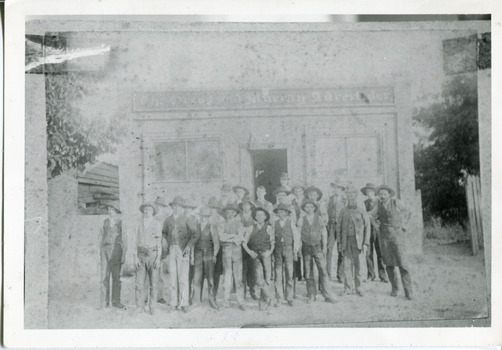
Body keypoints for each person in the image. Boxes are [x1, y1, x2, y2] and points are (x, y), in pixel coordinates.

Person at [369, 185, 413, 300]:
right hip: (384, 237)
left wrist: (405, 225)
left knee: (403, 264)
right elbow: (371, 217)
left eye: (384, 194)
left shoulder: (396, 202)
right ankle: (394, 289)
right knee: (389, 264)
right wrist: (377, 227)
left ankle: (409, 292)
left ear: (389, 194)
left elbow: (408, 212)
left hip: (397, 236)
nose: (382, 196)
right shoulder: (378, 206)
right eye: (380, 194)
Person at [162, 196, 200, 313]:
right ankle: (173, 303)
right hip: (172, 249)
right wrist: (164, 240)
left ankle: (184, 303)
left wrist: (188, 246)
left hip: (183, 250)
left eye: (179, 206)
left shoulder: (187, 219)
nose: (176, 208)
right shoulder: (168, 220)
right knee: (173, 276)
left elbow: (195, 234)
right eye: (174, 206)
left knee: (183, 277)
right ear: (172, 207)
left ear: (182, 208)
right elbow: (164, 232)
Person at [297, 199, 336, 304]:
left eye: (311, 207)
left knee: (323, 270)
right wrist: (298, 248)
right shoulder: (301, 219)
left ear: (314, 208)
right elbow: (298, 235)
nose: (309, 209)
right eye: (307, 207)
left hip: (317, 247)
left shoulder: (319, 218)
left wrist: (324, 247)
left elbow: (324, 232)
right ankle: (311, 294)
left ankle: (327, 294)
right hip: (306, 248)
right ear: (304, 209)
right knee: (308, 272)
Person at [336, 185, 370, 296]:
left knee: (359, 265)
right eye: (348, 194)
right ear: (346, 196)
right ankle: (348, 288)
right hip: (346, 242)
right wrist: (340, 243)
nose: (350, 196)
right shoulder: (342, 211)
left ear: (356, 195)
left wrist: (365, 243)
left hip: (358, 243)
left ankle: (359, 288)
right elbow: (339, 228)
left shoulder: (361, 210)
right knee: (347, 265)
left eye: (352, 194)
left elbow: (367, 227)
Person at [242, 207, 275, 311]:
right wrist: (250, 252)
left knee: (267, 278)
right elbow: (244, 242)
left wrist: (269, 252)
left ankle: (263, 302)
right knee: (258, 279)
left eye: (262, 215)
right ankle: (271, 298)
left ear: (265, 217)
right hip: (255, 256)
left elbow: (273, 243)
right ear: (255, 217)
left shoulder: (269, 228)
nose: (259, 217)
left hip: (266, 255)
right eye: (257, 215)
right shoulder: (251, 228)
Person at [190, 207, 220, 309]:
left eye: (206, 217)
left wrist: (215, 255)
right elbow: (192, 242)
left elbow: (216, 243)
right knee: (197, 277)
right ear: (200, 216)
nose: (204, 218)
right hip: (197, 253)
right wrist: (192, 256)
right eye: (203, 216)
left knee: (210, 277)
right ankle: (196, 300)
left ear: (208, 217)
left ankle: (212, 299)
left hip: (209, 253)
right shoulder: (196, 226)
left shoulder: (211, 227)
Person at [219, 203, 247, 310]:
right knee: (227, 277)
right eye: (227, 212)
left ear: (235, 213)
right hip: (226, 252)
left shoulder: (239, 224)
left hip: (236, 252)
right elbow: (221, 237)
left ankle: (241, 302)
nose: (229, 214)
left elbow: (240, 237)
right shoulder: (222, 223)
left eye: (232, 212)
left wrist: (230, 237)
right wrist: (233, 236)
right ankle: (226, 302)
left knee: (238, 278)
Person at [135, 202, 162, 314]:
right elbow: (135, 241)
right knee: (139, 283)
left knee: (153, 283)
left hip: (153, 254)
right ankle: (139, 306)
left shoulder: (157, 224)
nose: (147, 212)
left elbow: (159, 242)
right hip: (141, 255)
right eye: (145, 209)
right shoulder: (138, 223)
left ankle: (153, 307)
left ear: (153, 212)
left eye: (149, 210)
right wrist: (135, 257)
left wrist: (158, 258)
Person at [272, 203, 301, 307]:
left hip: (288, 249)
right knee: (278, 274)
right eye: (279, 212)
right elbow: (272, 238)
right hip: (278, 250)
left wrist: (295, 251)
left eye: (283, 212)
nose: (281, 213)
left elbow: (296, 237)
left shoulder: (291, 223)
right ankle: (279, 298)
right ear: (277, 214)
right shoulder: (275, 223)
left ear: (287, 213)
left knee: (289, 274)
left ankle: (289, 298)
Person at [99, 203, 127, 309]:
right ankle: (103, 302)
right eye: (109, 209)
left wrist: (124, 253)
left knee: (116, 277)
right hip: (105, 250)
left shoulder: (121, 223)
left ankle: (116, 302)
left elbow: (125, 239)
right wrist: (101, 251)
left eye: (112, 209)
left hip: (116, 251)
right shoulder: (105, 222)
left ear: (117, 212)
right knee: (104, 277)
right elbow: (100, 237)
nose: (110, 211)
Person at [361, 183, 388, 283]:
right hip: (367, 230)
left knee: (380, 252)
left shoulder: (379, 202)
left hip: (378, 230)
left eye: (371, 191)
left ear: (374, 192)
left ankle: (383, 275)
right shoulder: (364, 203)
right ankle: (371, 275)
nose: (369, 193)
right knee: (368, 253)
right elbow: (363, 215)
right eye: (367, 192)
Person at [326, 181, 347, 283]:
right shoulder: (329, 200)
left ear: (342, 190)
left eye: (338, 188)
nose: (336, 189)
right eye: (335, 187)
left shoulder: (345, 200)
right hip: (331, 226)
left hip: (341, 227)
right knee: (329, 249)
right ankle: (327, 274)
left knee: (341, 250)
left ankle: (340, 274)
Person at [239, 196, 258, 300]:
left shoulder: (254, 216)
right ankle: (243, 292)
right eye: (244, 205)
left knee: (252, 269)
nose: (245, 207)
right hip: (241, 245)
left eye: (247, 205)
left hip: (252, 245)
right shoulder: (239, 217)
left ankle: (252, 291)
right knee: (243, 269)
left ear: (251, 206)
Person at [153, 196, 171, 304]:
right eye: (157, 205)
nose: (159, 208)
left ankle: (159, 296)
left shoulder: (166, 218)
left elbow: (167, 233)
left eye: (161, 206)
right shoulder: (151, 216)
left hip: (161, 248)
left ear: (164, 207)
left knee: (160, 273)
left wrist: (165, 242)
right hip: (151, 247)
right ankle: (148, 295)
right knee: (148, 271)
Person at [208, 196, 225, 298]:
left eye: (214, 208)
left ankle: (213, 293)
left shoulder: (221, 219)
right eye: (211, 208)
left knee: (217, 271)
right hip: (207, 246)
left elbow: (220, 235)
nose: (212, 210)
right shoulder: (206, 217)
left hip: (218, 247)